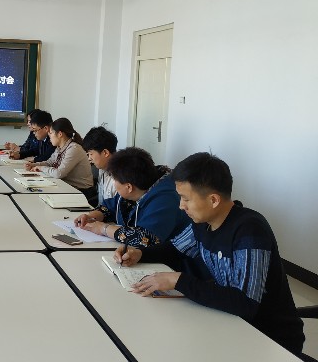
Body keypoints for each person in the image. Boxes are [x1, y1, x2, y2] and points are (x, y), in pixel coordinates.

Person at [114, 152, 305, 356]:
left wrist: (178, 280)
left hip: (269, 339)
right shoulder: (202, 223)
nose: (181, 206)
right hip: (229, 322)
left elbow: (245, 303)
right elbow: (175, 249)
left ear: (213, 200)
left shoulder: (250, 230)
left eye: (186, 199)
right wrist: (140, 253)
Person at [75, 147, 189, 247]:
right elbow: (110, 207)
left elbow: (145, 238)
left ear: (129, 187)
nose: (114, 183)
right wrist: (91, 216)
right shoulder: (136, 187)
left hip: (167, 261)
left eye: (115, 179)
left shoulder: (165, 199)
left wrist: (103, 229)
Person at [25, 117, 94, 197]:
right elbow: (49, 163)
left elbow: (59, 173)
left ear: (60, 134)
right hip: (67, 186)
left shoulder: (74, 149)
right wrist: (34, 165)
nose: (49, 136)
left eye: (51, 133)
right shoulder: (60, 147)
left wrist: (41, 168)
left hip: (81, 191)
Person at [82, 126, 118, 204]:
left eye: (91, 154)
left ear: (105, 153)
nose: (89, 159)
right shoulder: (102, 169)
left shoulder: (120, 177)